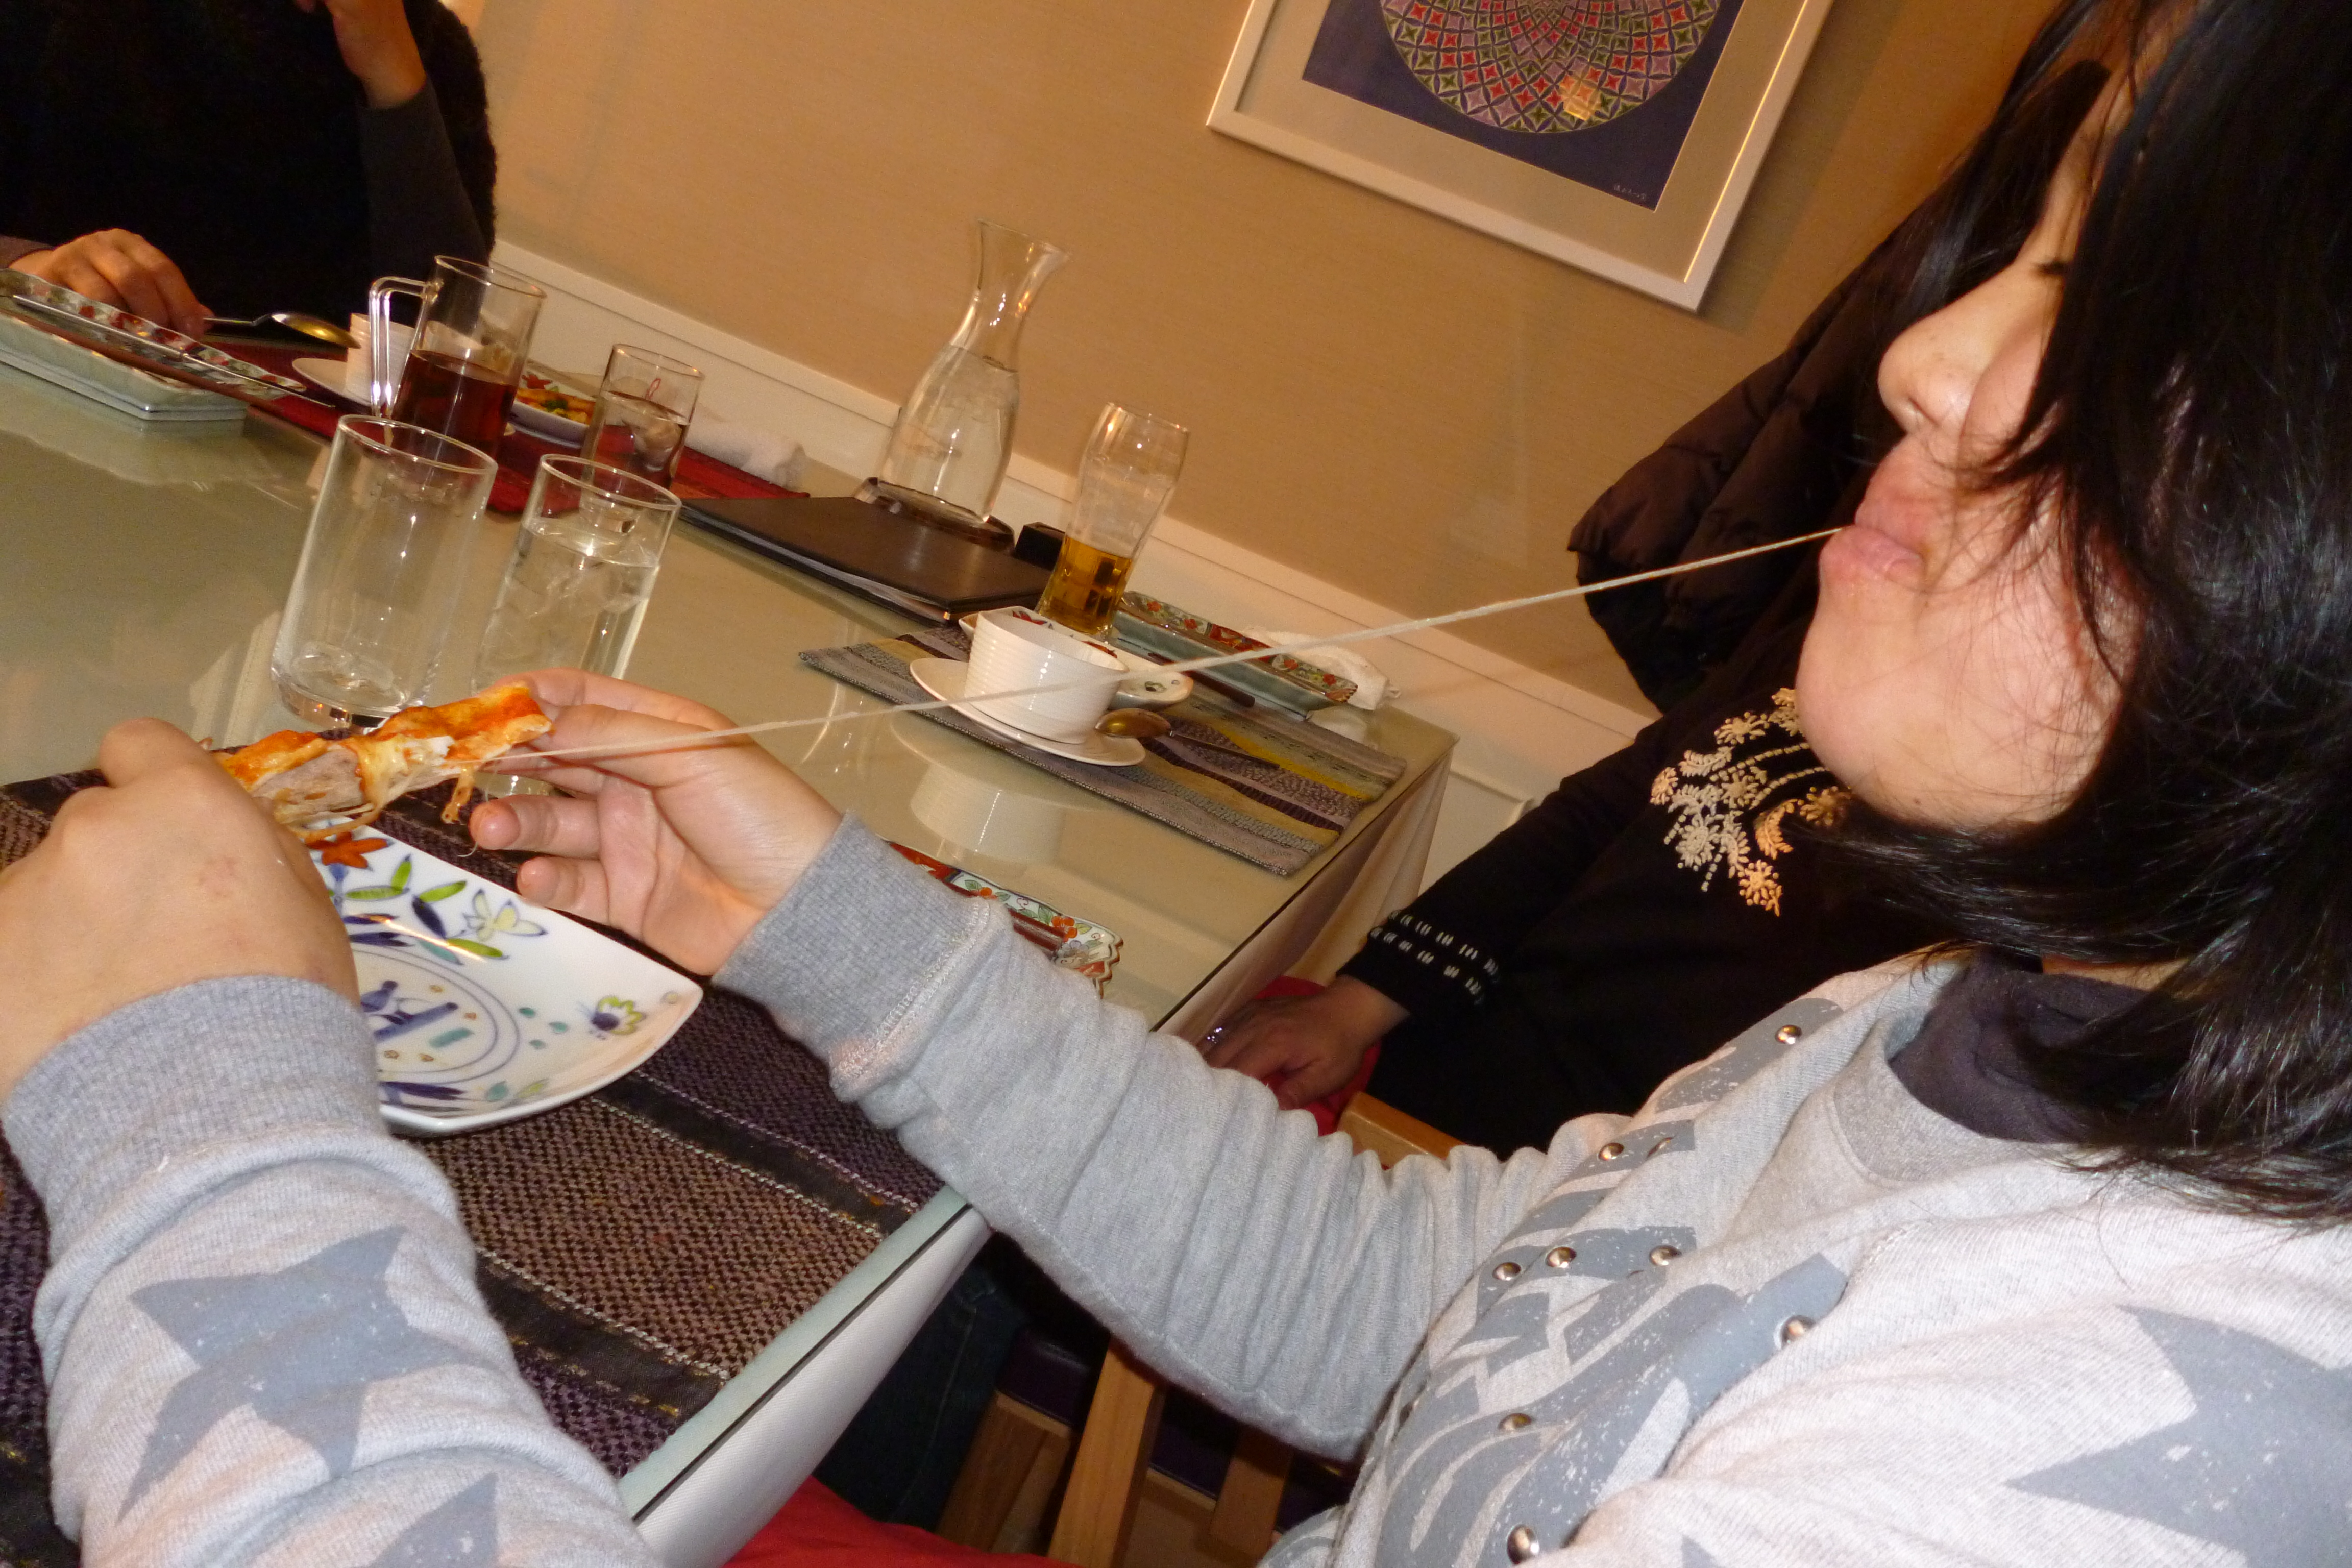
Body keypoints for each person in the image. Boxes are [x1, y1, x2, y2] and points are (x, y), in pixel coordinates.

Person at [9, 2, 2352, 1563]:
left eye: (2134, 311)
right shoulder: (1962, 1021)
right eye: (2038, 245)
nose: (1939, 355)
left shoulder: (2120, 1456)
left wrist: (199, 1110)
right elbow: (1433, 1315)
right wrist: (831, 925)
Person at [0, 0, 495, 336]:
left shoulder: (434, 54)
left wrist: (393, 76)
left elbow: (444, 326)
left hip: (294, 443)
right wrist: (28, 266)